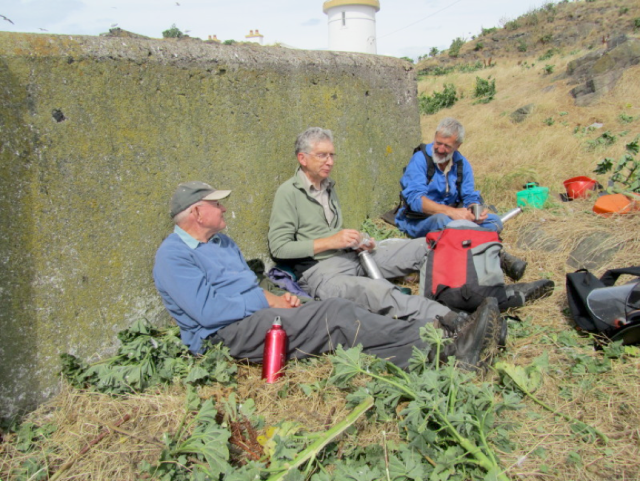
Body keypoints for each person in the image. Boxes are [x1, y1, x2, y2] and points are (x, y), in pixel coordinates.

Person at [153, 181, 506, 370]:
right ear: (197, 212)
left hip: (254, 316)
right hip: (224, 335)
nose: (223, 207)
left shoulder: (222, 242)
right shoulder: (173, 256)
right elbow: (208, 313)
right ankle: (442, 348)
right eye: (216, 204)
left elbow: (246, 287)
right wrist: (264, 299)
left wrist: (285, 299)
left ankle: (440, 336)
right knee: (334, 319)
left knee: (336, 310)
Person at [268, 127, 457, 324]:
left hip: (351, 256)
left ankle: (458, 298)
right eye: (322, 155)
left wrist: (358, 239)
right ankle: (451, 320)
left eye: (332, 155)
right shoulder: (288, 193)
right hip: (321, 272)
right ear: (302, 158)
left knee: (423, 246)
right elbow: (279, 248)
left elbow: (330, 232)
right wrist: (331, 241)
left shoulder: (327, 187)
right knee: (377, 291)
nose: (330, 162)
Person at [394, 117, 554, 302]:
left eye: (447, 146)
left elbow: (470, 196)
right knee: (444, 222)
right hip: (418, 220)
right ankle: (496, 256)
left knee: (493, 221)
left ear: (458, 145)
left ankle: (478, 247)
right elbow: (415, 200)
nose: (440, 149)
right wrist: (451, 212)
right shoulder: (420, 159)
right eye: (438, 143)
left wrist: (475, 211)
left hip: (455, 221)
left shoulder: (462, 164)